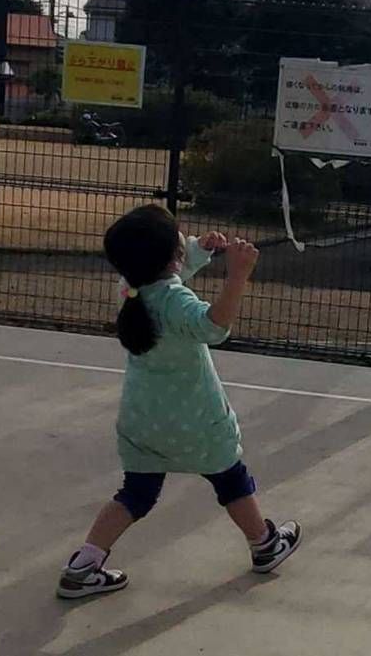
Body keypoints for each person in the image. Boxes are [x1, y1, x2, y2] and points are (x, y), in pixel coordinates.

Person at [56, 203, 301, 599]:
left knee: (135, 494)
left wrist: (198, 250)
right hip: (197, 423)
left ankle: (83, 565)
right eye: (180, 240)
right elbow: (212, 326)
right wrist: (237, 275)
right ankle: (265, 544)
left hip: (142, 424)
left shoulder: (131, 289)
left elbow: (167, 276)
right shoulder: (173, 299)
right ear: (171, 256)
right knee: (231, 480)